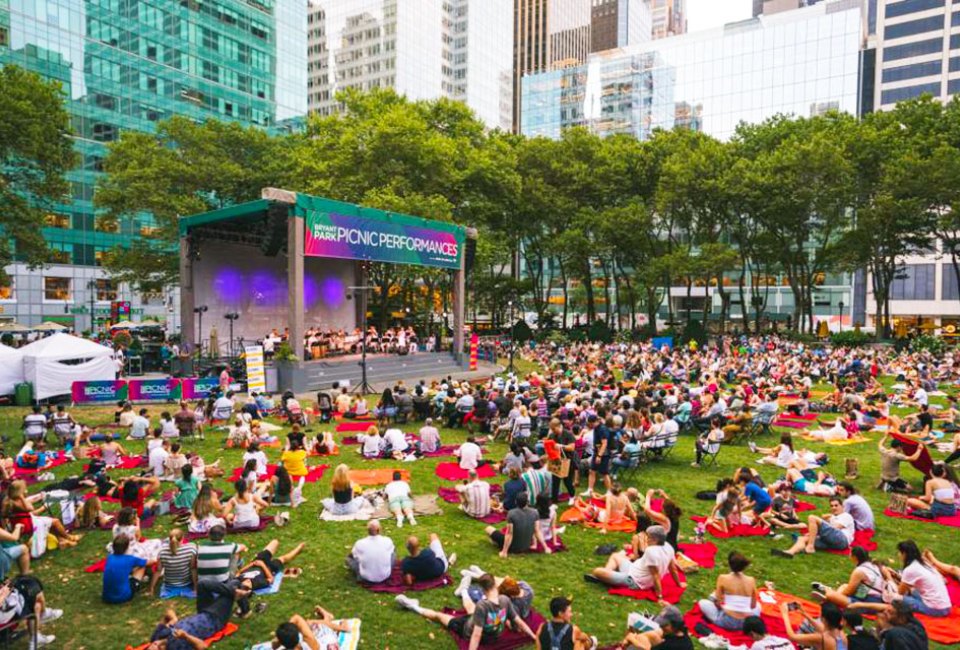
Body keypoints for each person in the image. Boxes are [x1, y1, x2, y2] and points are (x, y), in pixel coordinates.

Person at [395, 573, 538, 648]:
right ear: (495, 584)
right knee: (472, 610)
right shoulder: (504, 600)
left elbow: (476, 635)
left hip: (465, 628)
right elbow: (519, 621)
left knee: (439, 616)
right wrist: (533, 636)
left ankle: (413, 606)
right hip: (490, 631)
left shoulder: (483, 606)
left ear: (482, 588)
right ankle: (463, 591)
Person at [586, 525, 686, 606]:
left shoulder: (651, 551)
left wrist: (659, 597)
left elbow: (655, 575)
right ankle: (606, 576)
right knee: (615, 555)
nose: (646, 539)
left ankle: (604, 576)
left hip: (634, 580)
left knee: (597, 571)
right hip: (633, 568)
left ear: (655, 539)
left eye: (649, 537)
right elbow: (673, 569)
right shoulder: (669, 547)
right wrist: (679, 584)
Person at [145, 579, 251, 650]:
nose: (152, 646)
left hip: (202, 612)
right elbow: (202, 646)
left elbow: (168, 613)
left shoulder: (156, 637)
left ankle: (235, 594)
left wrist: (173, 619)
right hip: (214, 619)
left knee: (202, 584)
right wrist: (186, 636)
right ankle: (244, 607)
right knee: (234, 583)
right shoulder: (175, 647)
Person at [697, 552, 761, 631]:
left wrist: (727, 607)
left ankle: (720, 618)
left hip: (727, 622)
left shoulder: (723, 578)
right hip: (747, 623)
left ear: (729, 564)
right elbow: (753, 605)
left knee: (703, 602)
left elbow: (718, 603)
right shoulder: (751, 580)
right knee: (758, 605)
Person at [772, 497, 855, 558]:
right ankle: (790, 552)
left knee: (812, 517)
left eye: (836, 505)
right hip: (833, 542)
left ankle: (810, 547)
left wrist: (816, 531)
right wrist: (812, 534)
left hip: (842, 539)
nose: (833, 507)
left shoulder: (846, 516)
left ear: (842, 506)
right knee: (802, 538)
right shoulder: (833, 517)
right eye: (831, 506)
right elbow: (827, 531)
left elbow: (835, 528)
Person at [811, 546, 888, 608]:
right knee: (844, 586)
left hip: (868, 602)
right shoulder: (873, 566)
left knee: (831, 595)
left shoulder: (859, 571)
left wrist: (837, 596)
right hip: (875, 597)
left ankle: (828, 594)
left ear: (854, 557)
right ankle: (830, 596)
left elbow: (848, 592)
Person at [485, 491, 550, 558]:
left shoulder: (511, 513)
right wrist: (546, 548)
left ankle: (497, 544)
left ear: (516, 502)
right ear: (527, 502)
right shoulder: (535, 513)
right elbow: (537, 531)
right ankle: (498, 544)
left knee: (488, 528)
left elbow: (509, 534)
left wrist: (504, 552)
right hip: (526, 546)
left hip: (513, 547)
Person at [259, 607, 353, 650]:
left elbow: (274, 646)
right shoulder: (309, 641)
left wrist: (279, 640)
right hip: (326, 640)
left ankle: (327, 617)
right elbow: (297, 618)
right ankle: (342, 627)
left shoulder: (287, 644)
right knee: (313, 623)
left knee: (309, 623)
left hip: (318, 641)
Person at [236, 539, 305, 591]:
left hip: (258, 561)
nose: (247, 581)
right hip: (270, 568)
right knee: (283, 558)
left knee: (275, 542)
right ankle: (299, 547)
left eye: (245, 583)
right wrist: (263, 565)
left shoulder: (239, 580)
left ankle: (267, 554)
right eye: (249, 585)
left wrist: (251, 564)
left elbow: (239, 572)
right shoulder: (258, 584)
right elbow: (271, 579)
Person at [618, 605, 693, 650]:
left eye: (664, 625)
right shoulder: (678, 633)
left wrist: (630, 638)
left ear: (675, 625)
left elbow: (645, 648)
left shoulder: (674, 645)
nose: (661, 627)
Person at [779, 601, 847, 650]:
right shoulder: (840, 632)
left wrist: (785, 614)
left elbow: (792, 637)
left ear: (823, 619)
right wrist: (804, 613)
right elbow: (823, 629)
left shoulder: (820, 638)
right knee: (808, 624)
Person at [150, 529, 198, 598]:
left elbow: (158, 571)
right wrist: (195, 588)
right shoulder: (191, 549)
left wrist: (152, 587)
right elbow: (193, 568)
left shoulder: (162, 552)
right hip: (187, 583)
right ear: (183, 538)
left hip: (169, 585)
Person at [102, 534, 148, 604]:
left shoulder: (110, 557)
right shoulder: (129, 559)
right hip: (124, 597)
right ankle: (137, 584)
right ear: (127, 547)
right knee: (142, 567)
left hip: (106, 597)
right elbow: (148, 562)